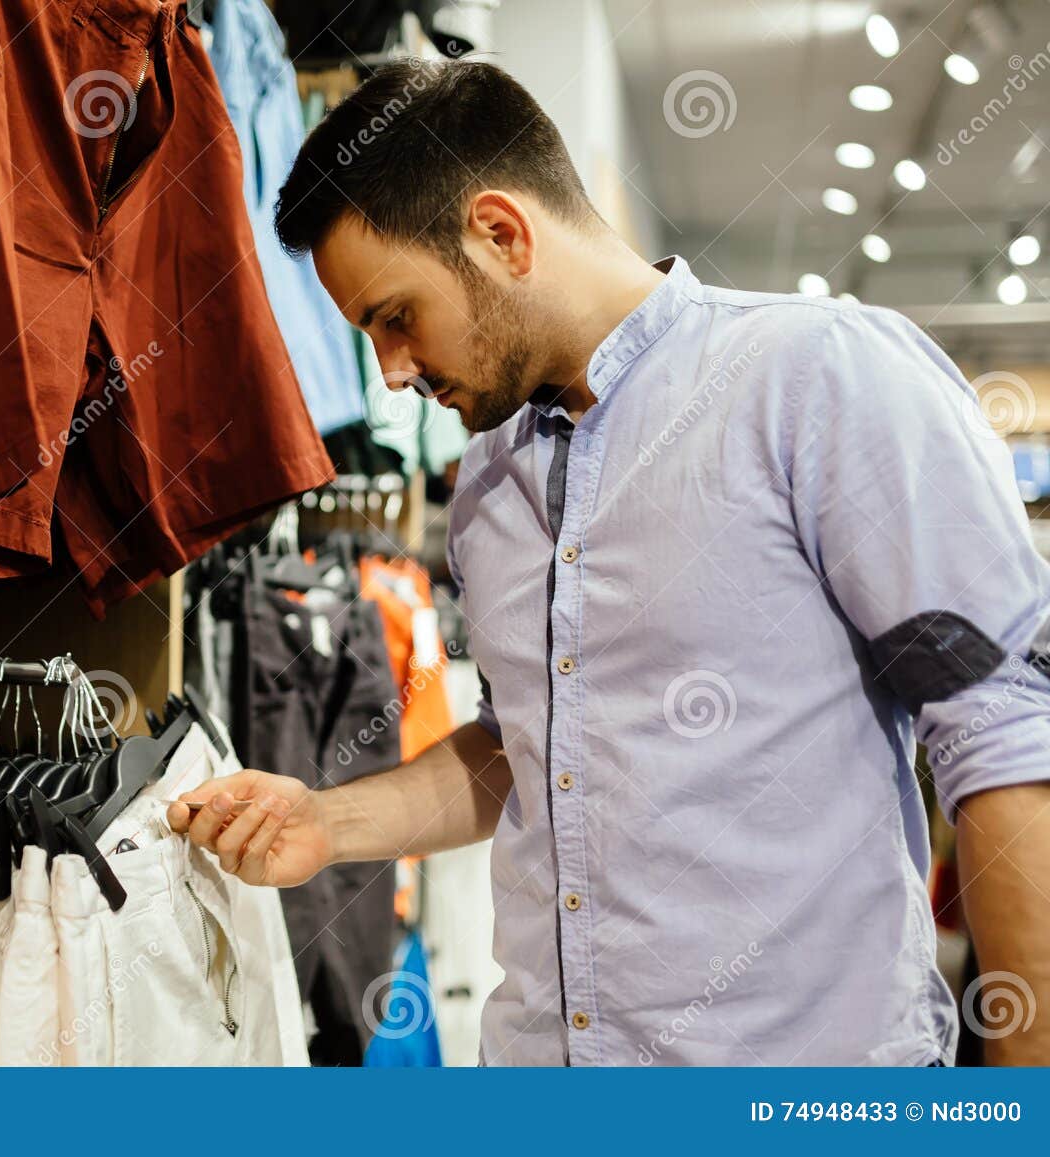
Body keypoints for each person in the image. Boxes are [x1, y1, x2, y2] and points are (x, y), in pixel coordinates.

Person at [169, 59, 1050, 1066]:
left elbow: (1005, 736)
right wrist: (329, 820)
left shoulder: (817, 379)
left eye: (395, 317)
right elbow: (522, 743)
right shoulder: (488, 480)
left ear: (501, 234)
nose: (393, 371)